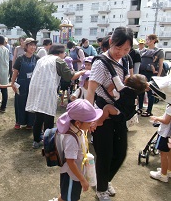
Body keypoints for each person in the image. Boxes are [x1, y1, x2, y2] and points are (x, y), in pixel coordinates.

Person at [86, 26, 134, 201]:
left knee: (120, 153)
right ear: (111, 42)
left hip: (119, 110)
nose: (120, 52)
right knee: (104, 153)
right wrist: (90, 117)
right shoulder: (100, 63)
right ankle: (101, 189)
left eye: (126, 49)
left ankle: (104, 181)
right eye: (117, 48)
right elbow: (90, 91)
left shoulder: (125, 60)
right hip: (101, 110)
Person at [26, 44, 85, 149]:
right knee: (49, 116)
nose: (64, 55)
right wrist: (81, 72)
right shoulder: (58, 60)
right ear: (60, 53)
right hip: (47, 90)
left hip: (36, 87)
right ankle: (48, 143)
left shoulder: (42, 59)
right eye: (64, 53)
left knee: (39, 116)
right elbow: (70, 76)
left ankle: (36, 140)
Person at [50, 99, 103, 201]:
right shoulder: (71, 139)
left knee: (67, 195)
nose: (91, 123)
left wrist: (89, 126)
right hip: (72, 176)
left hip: (75, 174)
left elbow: (84, 128)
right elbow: (70, 162)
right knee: (70, 197)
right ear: (78, 123)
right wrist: (82, 180)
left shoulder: (76, 128)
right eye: (89, 122)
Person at [11, 38, 40, 130]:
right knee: (20, 102)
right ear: (26, 46)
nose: (33, 47)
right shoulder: (20, 58)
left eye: (34, 45)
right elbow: (15, 72)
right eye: (31, 45)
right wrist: (12, 84)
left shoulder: (37, 58)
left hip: (33, 84)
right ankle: (19, 121)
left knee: (31, 103)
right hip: (22, 84)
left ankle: (30, 123)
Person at [149, 76, 171, 183]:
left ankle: (163, 174)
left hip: (165, 133)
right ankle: (168, 170)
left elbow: (166, 121)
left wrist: (156, 118)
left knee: (163, 153)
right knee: (169, 152)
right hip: (169, 135)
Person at [138, 34, 164, 117]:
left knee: (150, 92)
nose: (146, 41)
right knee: (141, 91)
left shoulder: (159, 51)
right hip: (142, 73)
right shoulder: (143, 50)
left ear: (153, 40)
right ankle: (140, 108)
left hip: (151, 74)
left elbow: (160, 65)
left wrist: (158, 77)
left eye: (148, 39)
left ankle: (149, 111)